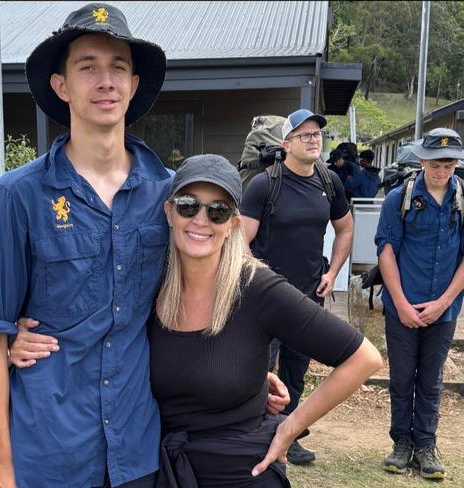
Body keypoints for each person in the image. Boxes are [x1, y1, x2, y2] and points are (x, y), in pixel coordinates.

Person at [0, 5, 288, 487]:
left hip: (138, 449)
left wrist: (241, 373)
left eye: (118, 67)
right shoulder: (19, 196)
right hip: (48, 449)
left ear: (134, 85)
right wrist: (6, 471)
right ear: (61, 86)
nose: (105, 81)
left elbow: (199, 292)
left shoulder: (169, 196)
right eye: (87, 67)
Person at [151, 154, 382, 486]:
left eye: (217, 210)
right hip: (166, 471)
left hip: (242, 471)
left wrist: (290, 427)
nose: (201, 220)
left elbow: (364, 358)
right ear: (169, 212)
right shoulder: (150, 287)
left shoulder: (257, 289)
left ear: (234, 222)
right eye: (188, 205)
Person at [240, 108, 355, 464]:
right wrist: (257, 282)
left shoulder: (328, 182)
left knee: (295, 370)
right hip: (267, 299)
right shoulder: (264, 184)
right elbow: (240, 242)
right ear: (286, 143)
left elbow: (346, 228)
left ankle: (288, 434)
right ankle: (251, 433)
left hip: (308, 297)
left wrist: (333, 271)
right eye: (305, 135)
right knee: (257, 369)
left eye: (317, 134)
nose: (313, 139)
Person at [375, 128, 464, 480]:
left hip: (444, 310)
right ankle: (401, 443)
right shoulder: (399, 198)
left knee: (430, 381)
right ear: (423, 160)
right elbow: (386, 251)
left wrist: (444, 303)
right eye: (436, 164)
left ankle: (426, 445)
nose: (442, 171)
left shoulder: (462, 200)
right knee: (401, 378)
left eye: (449, 164)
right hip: (402, 307)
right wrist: (401, 303)